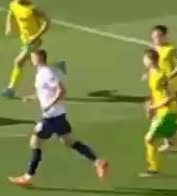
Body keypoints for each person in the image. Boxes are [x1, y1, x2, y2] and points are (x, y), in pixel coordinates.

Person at [10, 49, 109, 187]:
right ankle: (98, 162)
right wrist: (32, 97)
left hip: (51, 117)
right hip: (59, 115)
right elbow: (45, 92)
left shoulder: (46, 73)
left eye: (32, 58)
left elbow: (61, 90)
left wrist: (49, 105)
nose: (30, 60)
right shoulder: (41, 73)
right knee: (69, 141)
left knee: (35, 142)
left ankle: (28, 177)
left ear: (39, 59)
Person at [1, 0, 50, 98]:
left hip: (33, 41)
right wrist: (8, 26)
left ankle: (11, 89)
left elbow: (47, 22)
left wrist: (36, 36)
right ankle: (53, 77)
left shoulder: (33, 9)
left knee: (18, 62)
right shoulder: (13, 5)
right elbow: (10, 14)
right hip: (24, 40)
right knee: (38, 64)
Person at [139, 48, 177, 176]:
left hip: (167, 112)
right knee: (173, 136)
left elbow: (169, 97)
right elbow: (155, 92)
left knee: (149, 139)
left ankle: (153, 169)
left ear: (150, 60)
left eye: (145, 59)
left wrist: (153, 107)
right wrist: (151, 105)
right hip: (160, 112)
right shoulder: (152, 72)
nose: (143, 61)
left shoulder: (162, 77)